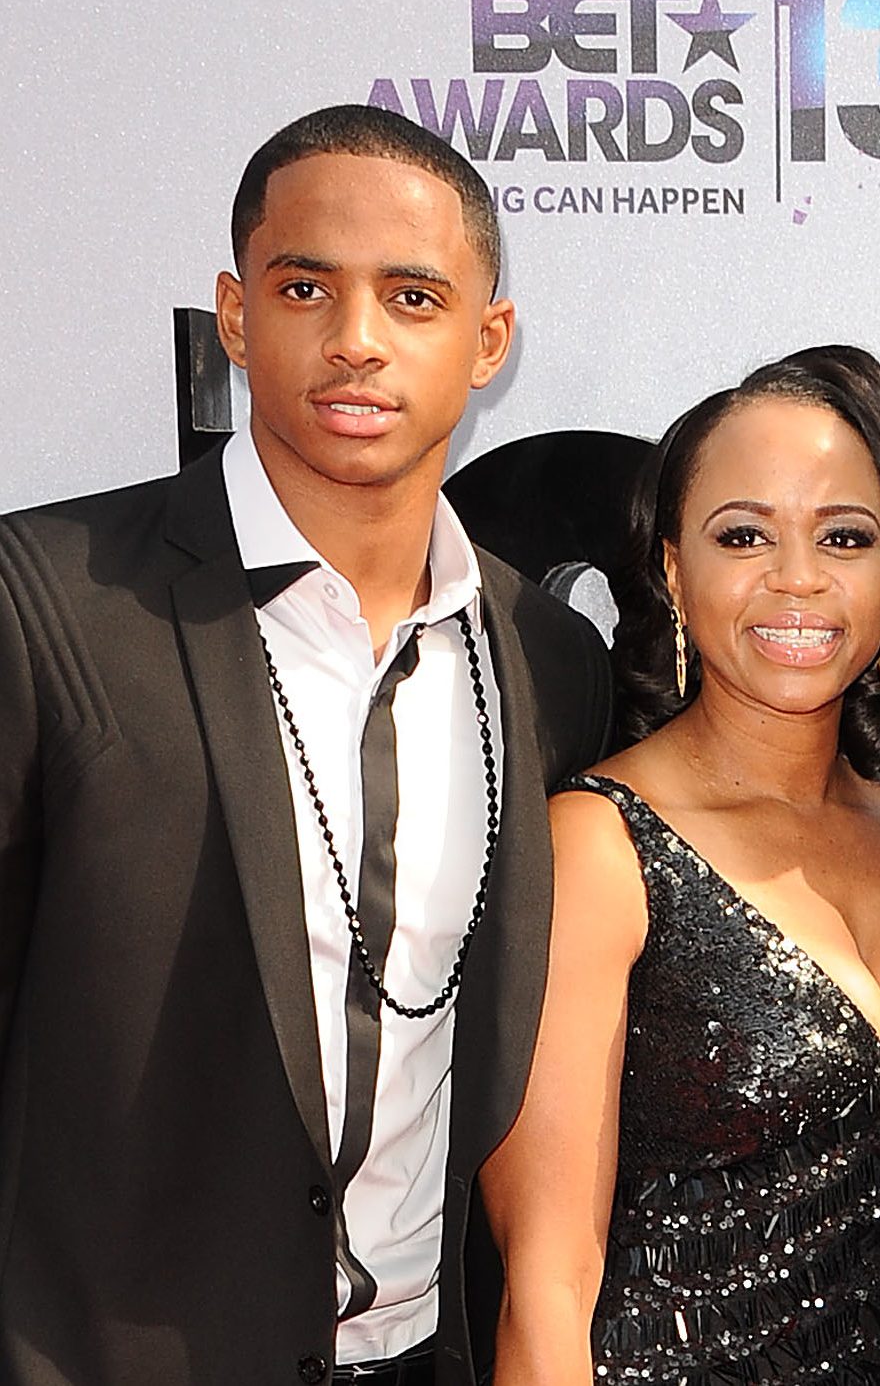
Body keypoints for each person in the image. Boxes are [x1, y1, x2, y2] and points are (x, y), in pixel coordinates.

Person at [0, 104, 611, 1386]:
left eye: (413, 295)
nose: (355, 341)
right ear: (234, 315)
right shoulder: (47, 600)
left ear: (489, 339)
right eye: (304, 287)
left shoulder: (550, 664)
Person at [481, 346, 880, 1385]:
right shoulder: (600, 847)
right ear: (674, 571)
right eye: (744, 534)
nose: (798, 576)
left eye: (844, 536)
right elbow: (547, 1290)